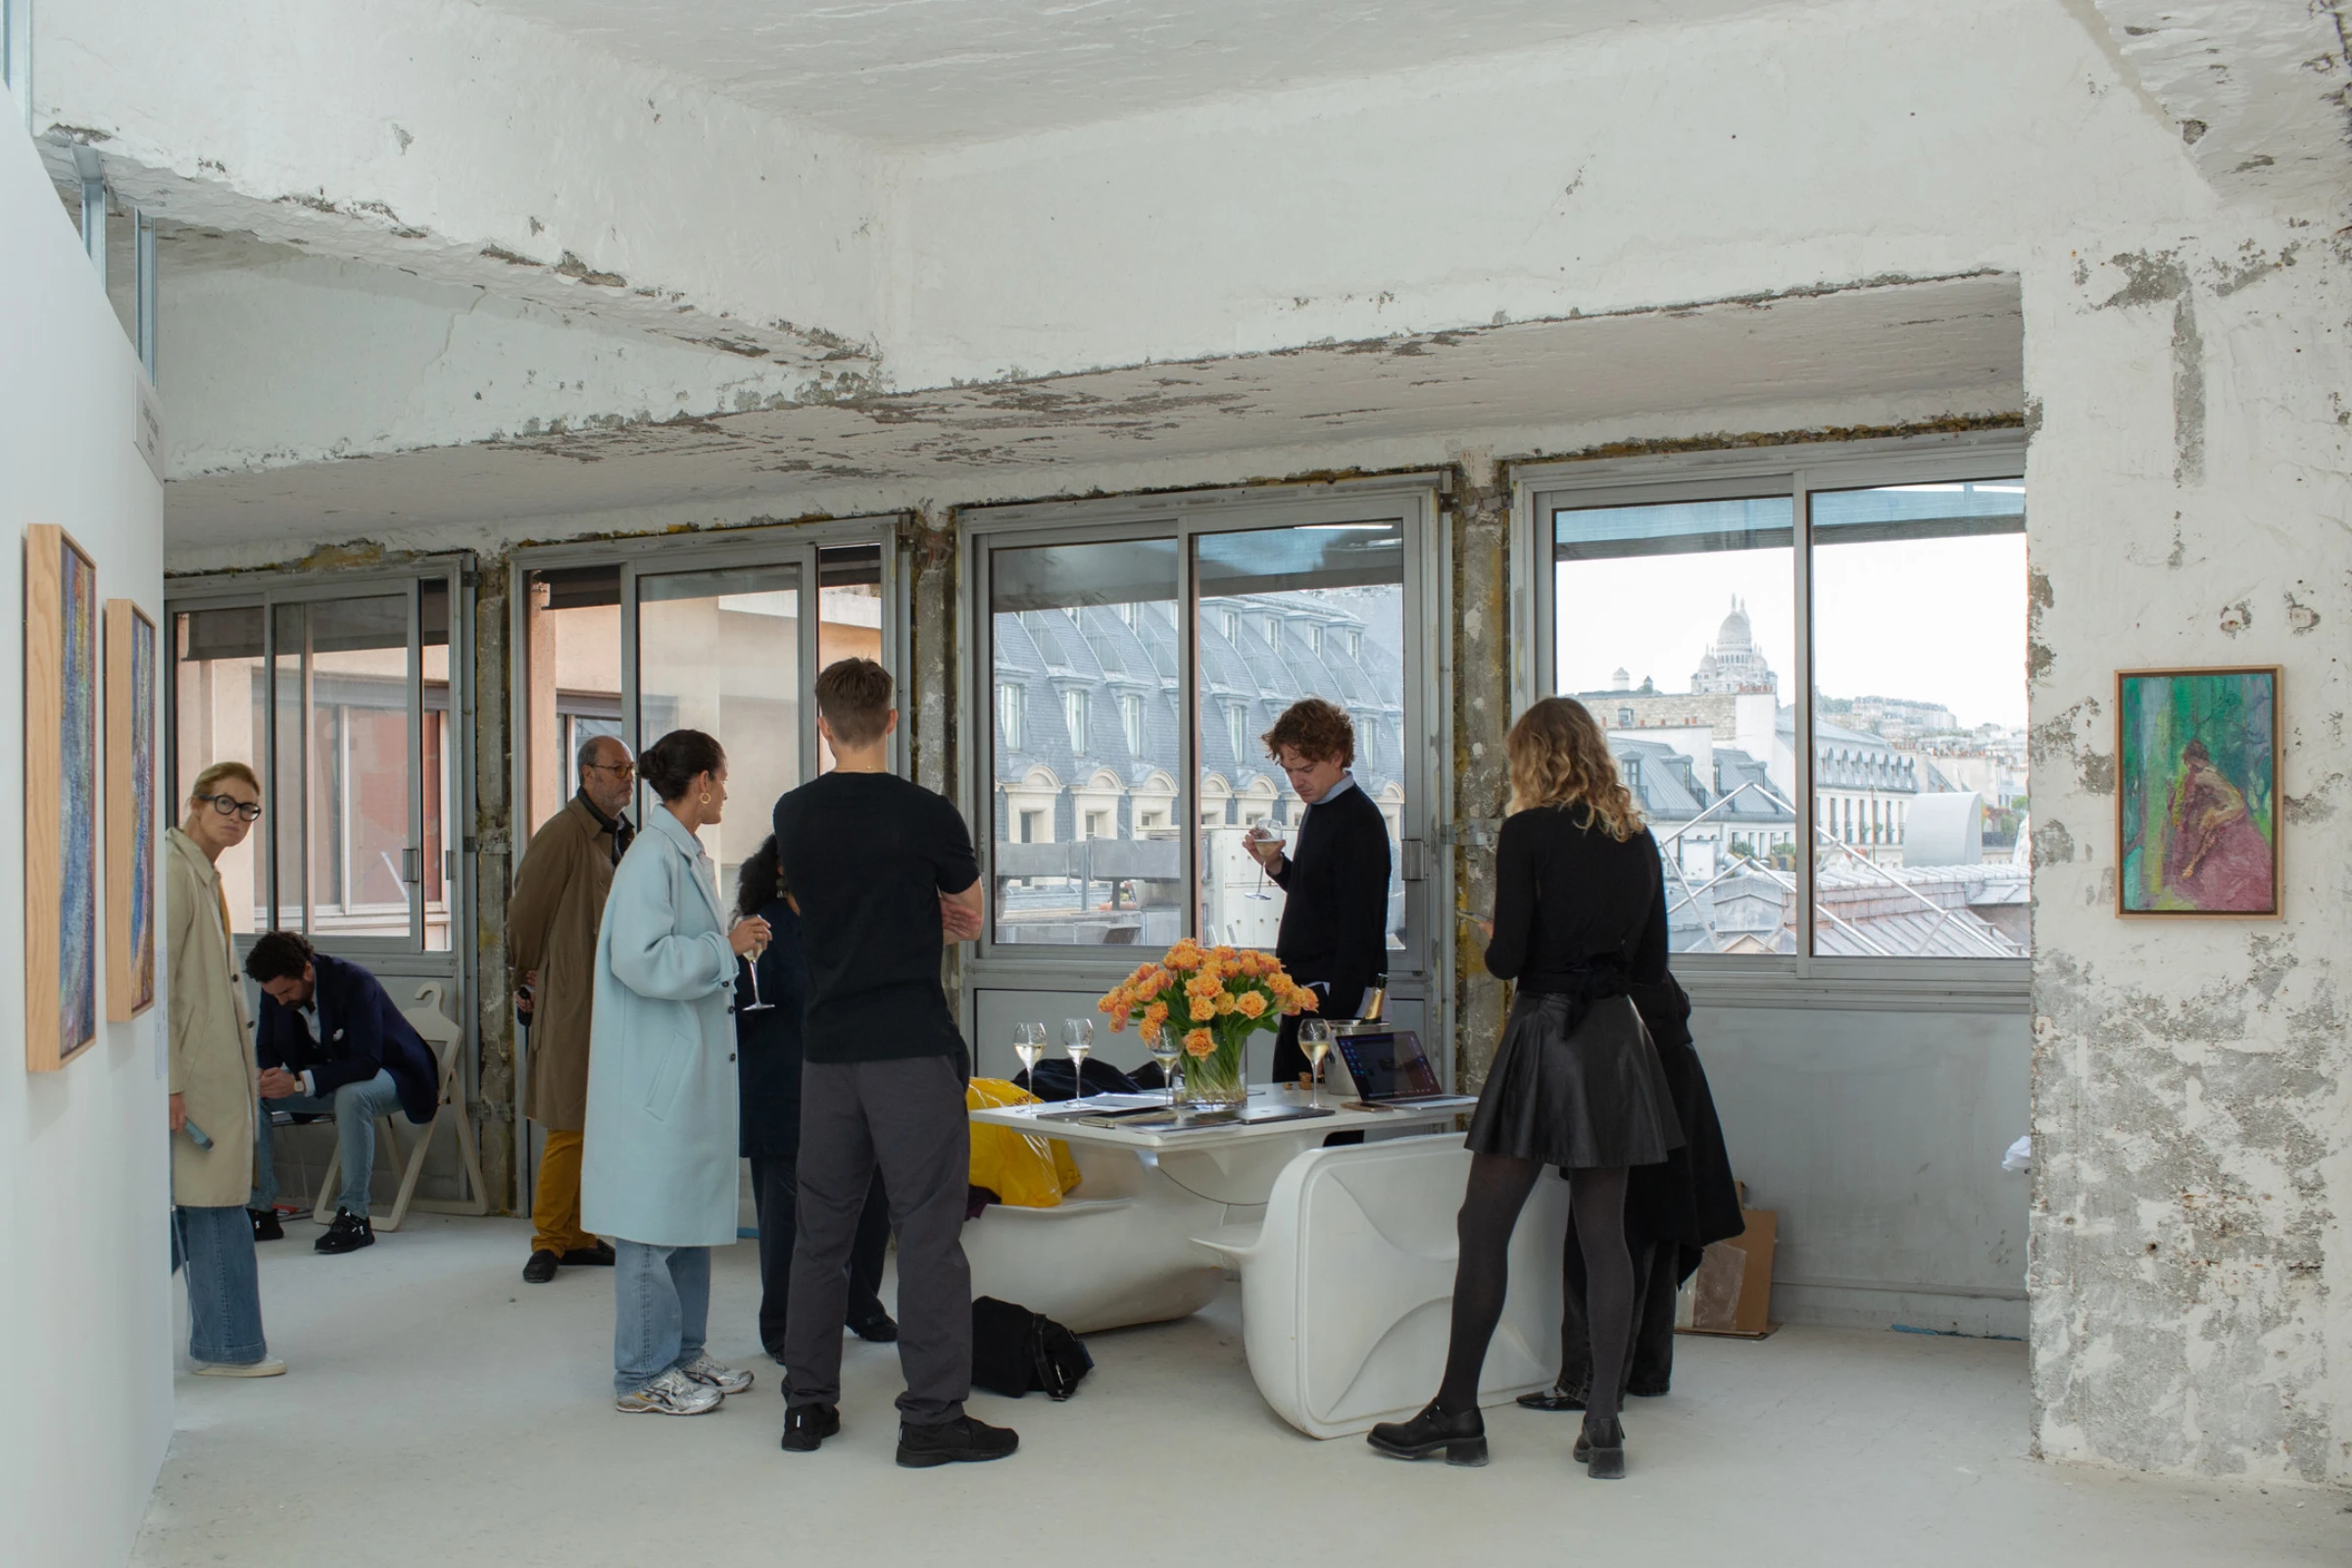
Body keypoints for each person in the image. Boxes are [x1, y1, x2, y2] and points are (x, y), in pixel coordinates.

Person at [1368, 697, 1682, 1479]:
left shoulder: (1528, 832)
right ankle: (1603, 1425)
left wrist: (1494, 935)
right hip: (1615, 1045)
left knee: (1484, 1224)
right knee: (1603, 1236)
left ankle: (1458, 1412)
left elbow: (1508, 963)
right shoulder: (1638, 839)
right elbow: (1651, 967)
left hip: (1547, 1034)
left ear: (1532, 757)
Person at [772, 658, 1014, 1468]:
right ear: (892, 719)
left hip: (828, 1051)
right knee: (928, 1235)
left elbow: (811, 905)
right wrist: (925, 918)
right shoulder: (925, 813)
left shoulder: (794, 814)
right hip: (910, 1045)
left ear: (822, 725)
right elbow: (971, 912)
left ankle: (807, 1408)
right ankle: (933, 1420)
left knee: (820, 1235)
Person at [579, 729, 765, 1416]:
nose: (728, 790)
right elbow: (640, 959)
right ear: (704, 783)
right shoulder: (651, 858)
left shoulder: (680, 853)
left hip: (681, 1073)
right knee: (651, 1227)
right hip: (656, 1078)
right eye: (724, 776)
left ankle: (685, 1354)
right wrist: (724, 948)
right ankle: (640, 1374)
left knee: (686, 1216)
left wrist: (722, 946)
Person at [1516, 970, 1742, 1412]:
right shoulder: (1642, 955)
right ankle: (1647, 1373)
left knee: (1602, 1238)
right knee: (1657, 1228)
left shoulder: (1595, 968)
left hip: (1628, 1088)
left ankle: (1585, 1383)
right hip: (1671, 1084)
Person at [733, 834, 899, 1358]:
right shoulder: (762, 923)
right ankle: (781, 1326)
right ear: (781, 866)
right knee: (787, 1217)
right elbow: (740, 1003)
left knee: (872, 1200)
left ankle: (860, 1303)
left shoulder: (843, 917)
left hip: (849, 1081)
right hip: (782, 1086)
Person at [166, 762, 283, 1377]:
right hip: (194, 1079)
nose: (236, 818)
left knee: (206, 1204)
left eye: (248, 810)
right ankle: (230, 1348)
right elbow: (155, 988)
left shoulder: (202, 872)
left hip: (211, 1073)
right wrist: (170, 1084)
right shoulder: (173, 872)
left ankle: (226, 1345)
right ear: (195, 802)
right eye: (225, 804)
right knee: (211, 1207)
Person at [508, 733, 637, 1283]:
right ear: (587, 774)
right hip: (569, 998)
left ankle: (580, 1231)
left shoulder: (619, 835)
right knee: (567, 1119)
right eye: (616, 769)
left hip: (610, 999)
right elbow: (526, 915)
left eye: (630, 769)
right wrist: (524, 979)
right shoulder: (563, 833)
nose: (627, 778)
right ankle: (549, 1239)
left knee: (597, 1120)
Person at [245, 931, 444, 1254]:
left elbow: (367, 1062)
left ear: (306, 970)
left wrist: (296, 1083)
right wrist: (264, 1073)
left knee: (353, 1096)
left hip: (394, 1073)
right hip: (330, 1075)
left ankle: (355, 1215)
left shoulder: (354, 981)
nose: (280, 1001)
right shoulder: (276, 992)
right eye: (274, 996)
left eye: (286, 992)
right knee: (254, 1097)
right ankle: (262, 1210)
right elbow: (266, 1046)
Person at [1242, 698, 1392, 1083]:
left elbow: (1359, 931)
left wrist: (1335, 1027)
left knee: (1323, 1127)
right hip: (1304, 995)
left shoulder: (1358, 821)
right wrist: (1275, 865)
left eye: (1306, 768)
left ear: (1338, 756)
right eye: (1289, 770)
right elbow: (1315, 897)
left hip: (1329, 1000)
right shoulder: (1320, 807)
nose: (1297, 781)